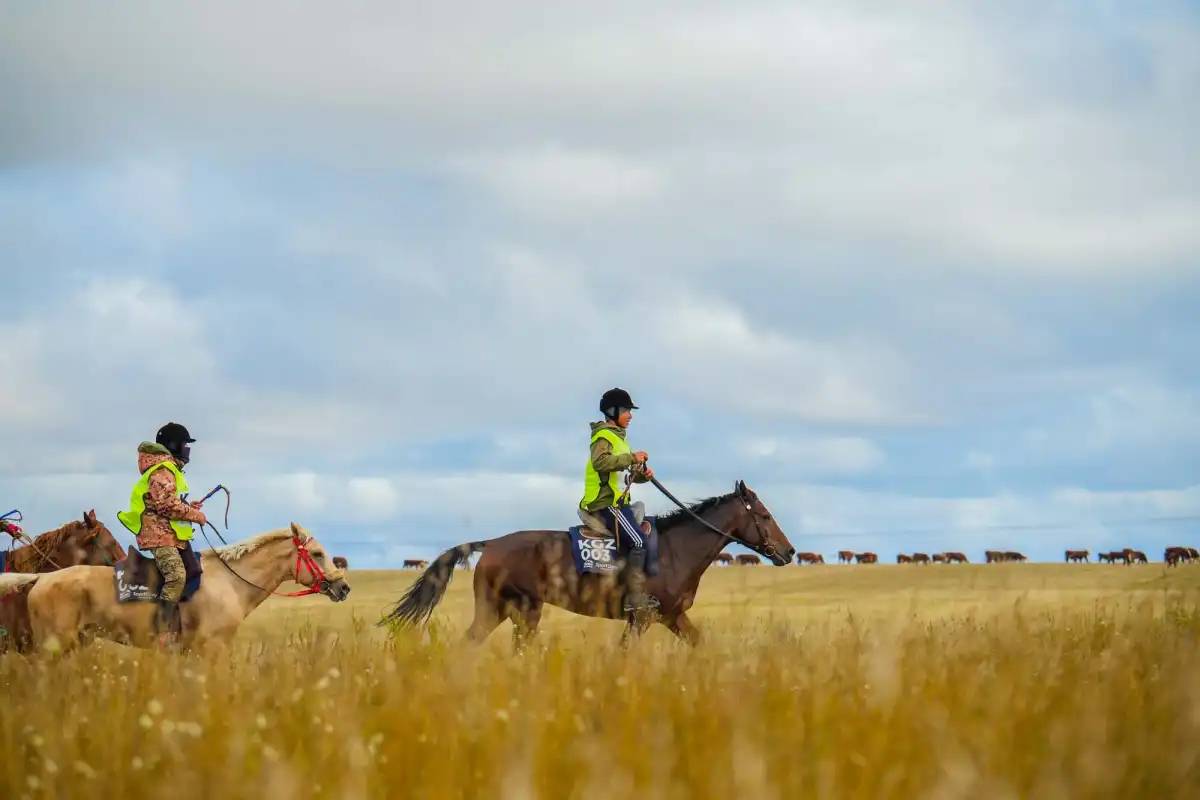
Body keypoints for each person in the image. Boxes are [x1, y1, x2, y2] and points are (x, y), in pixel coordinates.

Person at [116, 422, 207, 643]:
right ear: (174, 445)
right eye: (185, 444)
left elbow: (167, 503)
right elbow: (166, 506)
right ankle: (161, 630)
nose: (187, 450)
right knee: (176, 577)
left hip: (169, 535)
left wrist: (188, 507)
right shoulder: (163, 471)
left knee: (194, 570)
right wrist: (195, 515)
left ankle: (182, 624)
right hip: (159, 536)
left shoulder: (168, 470)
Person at [578, 388, 657, 616]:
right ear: (612, 411)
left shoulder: (621, 439)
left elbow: (623, 475)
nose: (630, 415)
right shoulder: (603, 436)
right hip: (605, 505)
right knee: (639, 541)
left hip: (619, 504)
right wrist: (632, 458)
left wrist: (642, 475)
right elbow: (600, 463)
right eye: (626, 411)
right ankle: (633, 598)